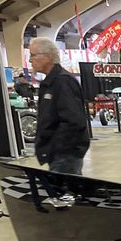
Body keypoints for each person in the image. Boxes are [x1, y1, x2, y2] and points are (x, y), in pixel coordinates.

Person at [28, 37, 90, 175]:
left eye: (33, 55)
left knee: (66, 195)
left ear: (48, 56)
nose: (30, 60)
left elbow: (73, 121)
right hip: (58, 156)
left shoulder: (62, 82)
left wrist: (56, 147)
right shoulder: (49, 83)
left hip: (65, 156)